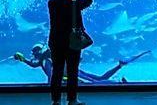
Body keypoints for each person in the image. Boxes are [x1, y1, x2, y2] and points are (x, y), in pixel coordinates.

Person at [48, 0, 93, 105]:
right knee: (72, 71)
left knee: (57, 71)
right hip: (72, 40)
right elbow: (88, 2)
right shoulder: (74, 2)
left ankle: (55, 101)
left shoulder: (51, 3)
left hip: (55, 40)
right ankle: (72, 101)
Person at [15, 44, 150, 83]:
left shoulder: (45, 61)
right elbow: (33, 65)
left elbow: (51, 76)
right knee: (100, 78)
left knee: (96, 83)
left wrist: (50, 88)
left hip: (71, 75)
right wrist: (23, 59)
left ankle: (119, 82)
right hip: (73, 71)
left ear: (38, 53)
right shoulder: (46, 59)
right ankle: (119, 66)